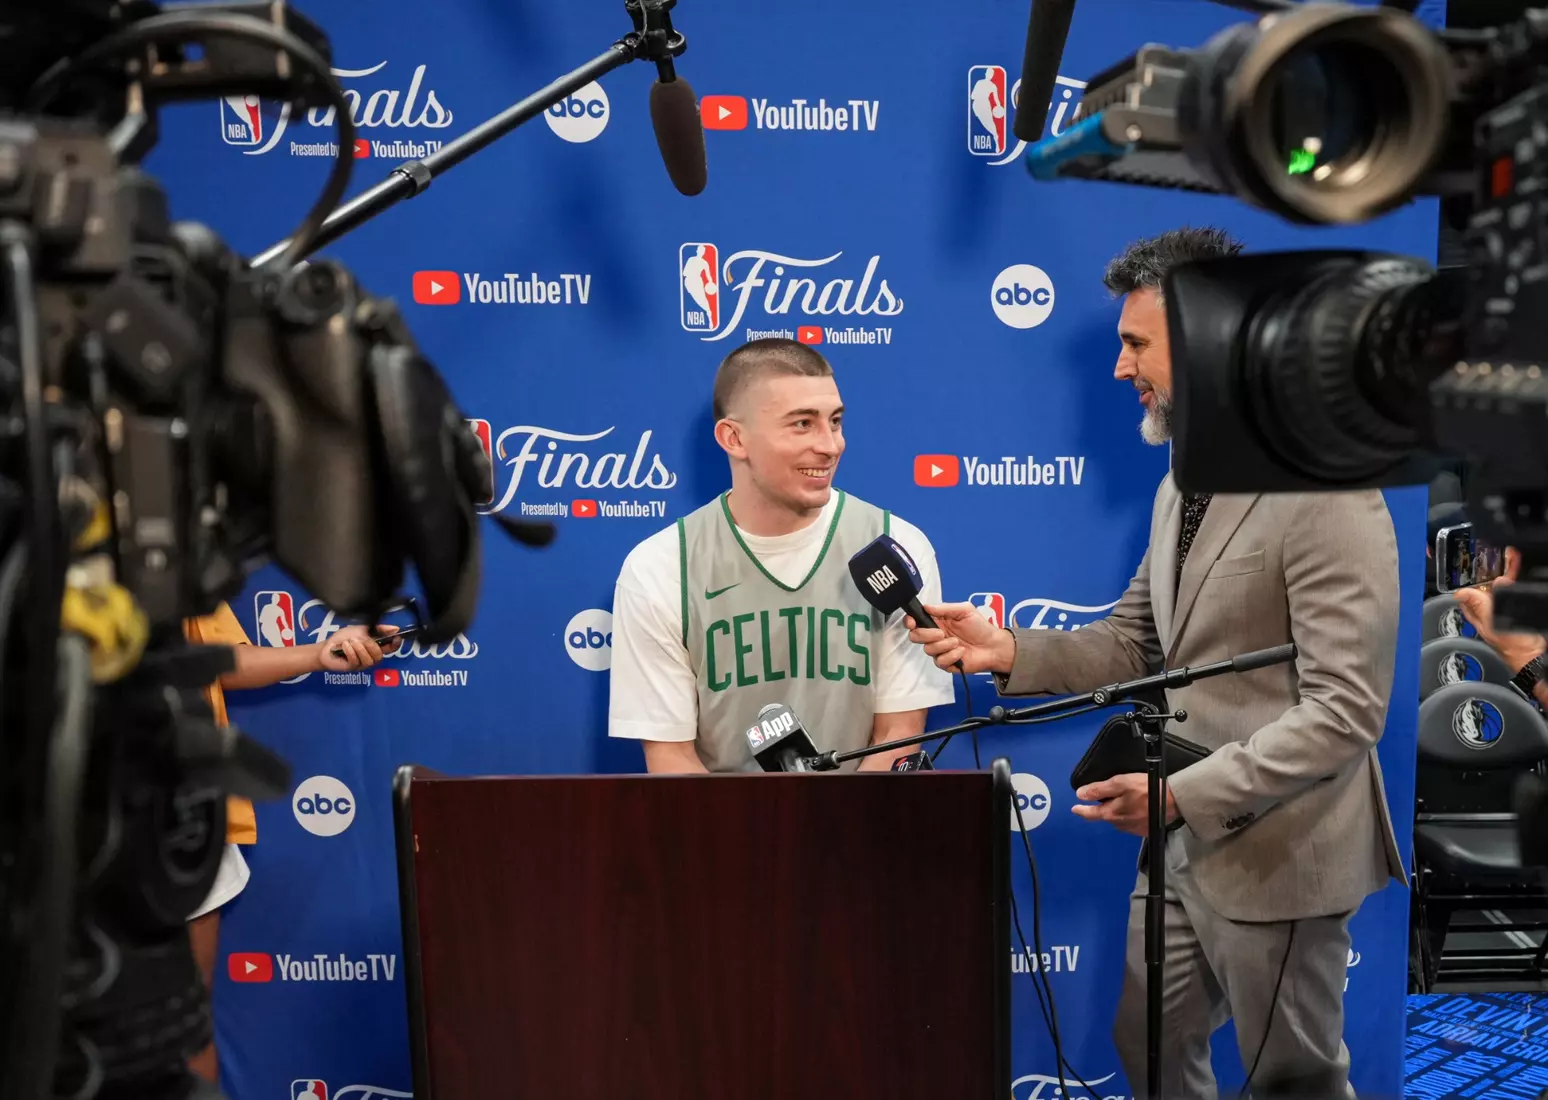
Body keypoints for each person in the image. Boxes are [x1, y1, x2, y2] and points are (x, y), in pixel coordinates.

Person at [907, 227, 1405, 1099]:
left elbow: (1346, 711)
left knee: (1296, 1081)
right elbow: (1137, 643)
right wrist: (1009, 649)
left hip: (1282, 851)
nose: (1118, 367)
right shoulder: (1183, 476)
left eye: (1136, 343)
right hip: (1179, 852)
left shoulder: (1325, 486)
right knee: (1147, 1042)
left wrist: (1180, 797)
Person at [607, 337, 956, 773]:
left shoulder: (892, 546)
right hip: (723, 832)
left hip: (863, 827)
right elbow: (671, 757)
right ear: (733, 438)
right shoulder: (660, 566)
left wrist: (841, 837)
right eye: (802, 424)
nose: (831, 445)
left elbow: (899, 735)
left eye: (835, 421)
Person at [183, 602, 399, 1082]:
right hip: (50, 815)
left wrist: (320, 653)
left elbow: (221, 659)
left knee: (183, 1020)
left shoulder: (174, 550)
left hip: (181, 810)